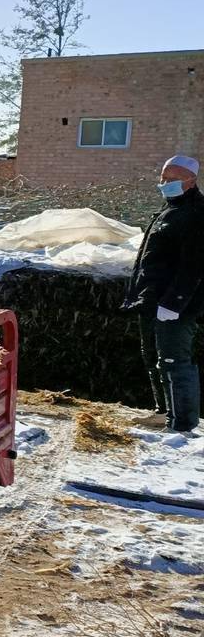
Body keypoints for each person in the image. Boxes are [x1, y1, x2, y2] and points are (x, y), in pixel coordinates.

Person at [122, 154, 204, 434]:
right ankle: (163, 412)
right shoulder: (169, 210)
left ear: (191, 182)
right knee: (153, 357)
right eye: (163, 178)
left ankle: (182, 424)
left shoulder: (196, 214)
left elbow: (195, 266)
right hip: (152, 301)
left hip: (175, 306)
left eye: (173, 180)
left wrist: (174, 303)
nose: (165, 184)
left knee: (174, 361)